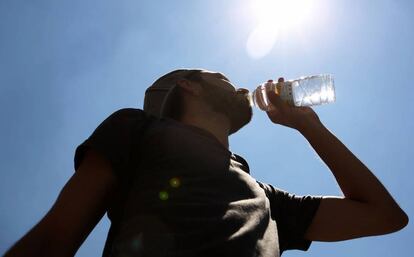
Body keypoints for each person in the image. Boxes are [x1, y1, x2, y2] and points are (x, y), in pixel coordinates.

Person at [3, 69, 408, 257]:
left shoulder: (267, 200)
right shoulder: (138, 128)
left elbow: (385, 217)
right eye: (220, 76)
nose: (236, 83)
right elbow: (53, 239)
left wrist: (309, 127)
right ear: (188, 85)